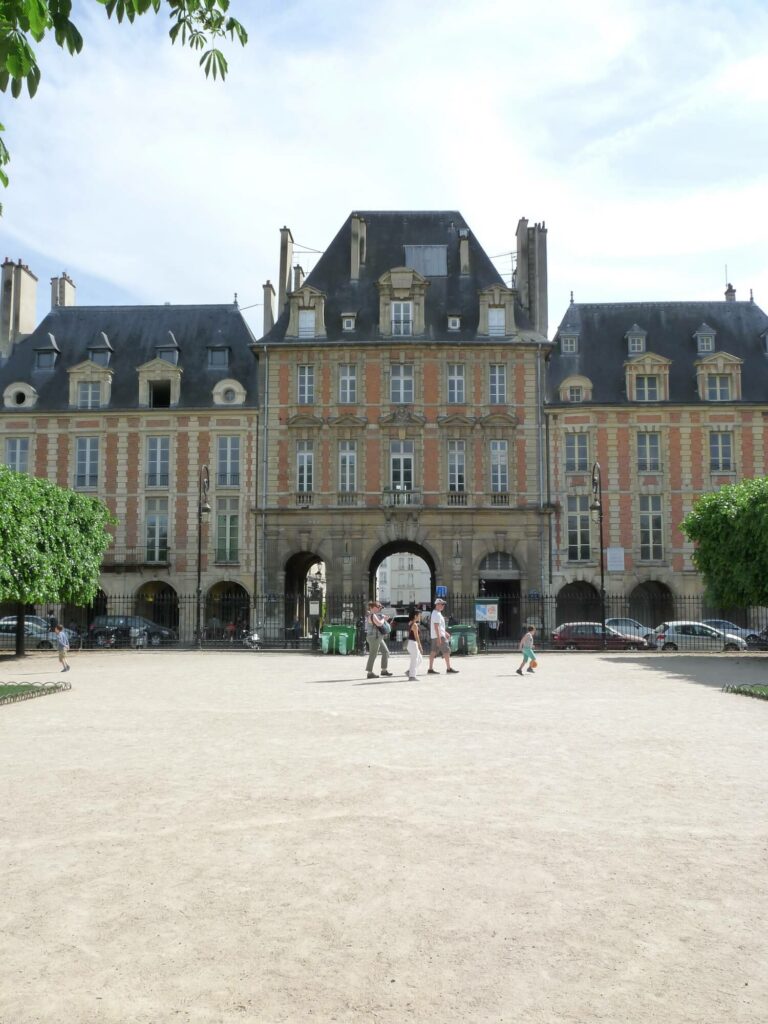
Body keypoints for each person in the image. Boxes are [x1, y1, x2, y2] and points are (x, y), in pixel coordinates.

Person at [428, 598, 459, 675]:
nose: (443, 606)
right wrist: (439, 638)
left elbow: (439, 627)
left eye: (443, 605)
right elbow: (436, 627)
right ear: (437, 604)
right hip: (439, 636)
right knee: (446, 651)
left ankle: (430, 669)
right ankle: (448, 668)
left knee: (433, 652)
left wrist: (445, 633)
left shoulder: (436, 613)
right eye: (442, 604)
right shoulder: (436, 614)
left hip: (436, 636)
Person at [364, 600, 393, 679]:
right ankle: (369, 673)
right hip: (373, 637)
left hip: (378, 637)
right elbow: (379, 623)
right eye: (378, 607)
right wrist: (383, 618)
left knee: (385, 652)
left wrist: (384, 618)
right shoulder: (372, 615)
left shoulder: (376, 615)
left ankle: (384, 670)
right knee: (373, 654)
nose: (379, 608)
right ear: (372, 607)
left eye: (380, 607)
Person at [406, 609, 423, 681]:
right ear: (415, 616)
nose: (420, 617)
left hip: (411, 643)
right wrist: (420, 646)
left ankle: (409, 672)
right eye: (419, 615)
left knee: (419, 659)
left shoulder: (410, 623)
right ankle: (412, 676)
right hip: (413, 643)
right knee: (414, 660)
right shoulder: (414, 625)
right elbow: (416, 636)